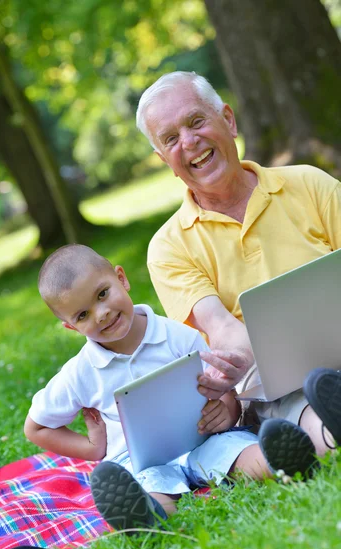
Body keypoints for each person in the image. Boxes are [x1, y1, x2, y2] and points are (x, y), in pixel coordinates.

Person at [24, 244, 316, 533]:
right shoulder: (80, 373)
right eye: (82, 315)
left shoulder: (176, 335)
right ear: (71, 327)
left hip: (202, 439)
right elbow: (35, 428)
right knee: (148, 490)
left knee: (239, 453)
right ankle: (146, 517)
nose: (100, 313)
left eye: (102, 294)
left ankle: (281, 459)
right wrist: (92, 448)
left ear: (121, 279)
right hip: (139, 460)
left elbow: (222, 389)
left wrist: (226, 412)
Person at [138, 71, 341, 457]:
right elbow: (219, 326)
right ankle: (332, 428)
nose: (189, 141)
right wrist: (234, 361)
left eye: (196, 121)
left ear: (228, 120)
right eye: (170, 139)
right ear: (164, 158)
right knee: (308, 409)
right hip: (278, 383)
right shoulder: (168, 247)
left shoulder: (309, 184)